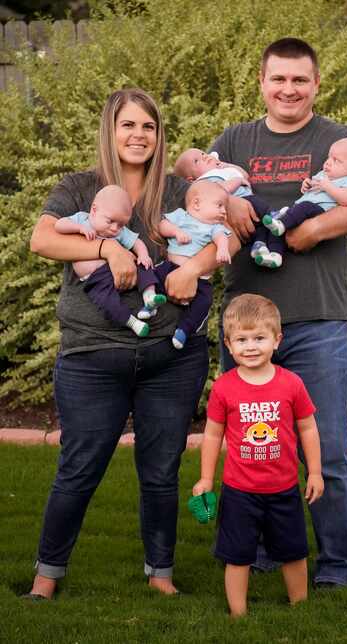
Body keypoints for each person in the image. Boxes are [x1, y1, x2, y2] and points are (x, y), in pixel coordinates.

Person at [25, 88, 239, 600]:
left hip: (172, 356)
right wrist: (104, 248)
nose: (139, 135)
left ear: (159, 135)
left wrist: (191, 266)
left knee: (162, 470)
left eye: (148, 126)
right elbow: (42, 240)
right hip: (92, 355)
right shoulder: (79, 188)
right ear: (110, 131)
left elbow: (221, 233)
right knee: (79, 467)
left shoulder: (177, 191)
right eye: (128, 126)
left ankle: (160, 573)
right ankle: (46, 577)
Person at [210, 37, 347, 588]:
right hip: (247, 325)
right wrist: (231, 198)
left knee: (329, 452)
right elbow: (190, 176)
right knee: (251, 450)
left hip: (318, 319)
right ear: (262, 83)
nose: (288, 89)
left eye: (300, 80)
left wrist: (315, 227)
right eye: (278, 79)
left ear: (317, 84)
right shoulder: (236, 139)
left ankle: (337, 565)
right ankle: (261, 554)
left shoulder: (342, 140)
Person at [192, 294, 324, 616]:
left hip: (283, 488)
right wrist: (206, 479)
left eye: (259, 338)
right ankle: (238, 614)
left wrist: (316, 471)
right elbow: (212, 434)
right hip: (239, 491)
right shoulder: (224, 388)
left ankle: (300, 607)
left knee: (293, 551)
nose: (250, 346)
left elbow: (308, 428)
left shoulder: (291, 384)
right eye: (241, 339)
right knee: (237, 554)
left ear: (277, 340)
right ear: (228, 344)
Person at [54, 184, 165, 338]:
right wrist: (78, 228)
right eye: (110, 221)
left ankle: (150, 296)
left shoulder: (118, 232)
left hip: (120, 268)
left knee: (144, 265)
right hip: (96, 278)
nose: (115, 229)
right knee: (106, 302)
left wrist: (143, 255)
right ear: (94, 210)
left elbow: (137, 242)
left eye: (121, 225)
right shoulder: (81, 220)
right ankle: (133, 323)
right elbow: (59, 225)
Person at [137, 179, 231, 349]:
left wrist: (222, 250)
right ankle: (150, 301)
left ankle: (184, 330)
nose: (224, 211)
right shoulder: (181, 216)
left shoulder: (215, 227)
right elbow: (162, 225)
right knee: (147, 271)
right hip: (170, 266)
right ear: (196, 203)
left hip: (198, 278)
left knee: (204, 301)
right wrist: (176, 231)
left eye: (225, 207)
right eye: (219, 205)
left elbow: (223, 238)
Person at [174, 147, 287, 268]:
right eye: (197, 160)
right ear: (191, 179)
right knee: (261, 208)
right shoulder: (205, 182)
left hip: (247, 213)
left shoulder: (220, 170)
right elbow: (221, 191)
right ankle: (272, 214)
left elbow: (244, 174)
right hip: (244, 202)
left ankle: (261, 248)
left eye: (203, 154)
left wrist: (225, 165)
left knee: (264, 229)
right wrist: (237, 181)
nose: (204, 157)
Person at [262, 137, 347, 237]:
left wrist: (327, 186)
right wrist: (307, 185)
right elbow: (315, 187)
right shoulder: (324, 174)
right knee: (282, 226)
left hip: (321, 210)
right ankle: (274, 253)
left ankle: (281, 224)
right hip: (302, 207)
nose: (328, 163)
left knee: (303, 208)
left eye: (336, 160)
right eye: (329, 158)